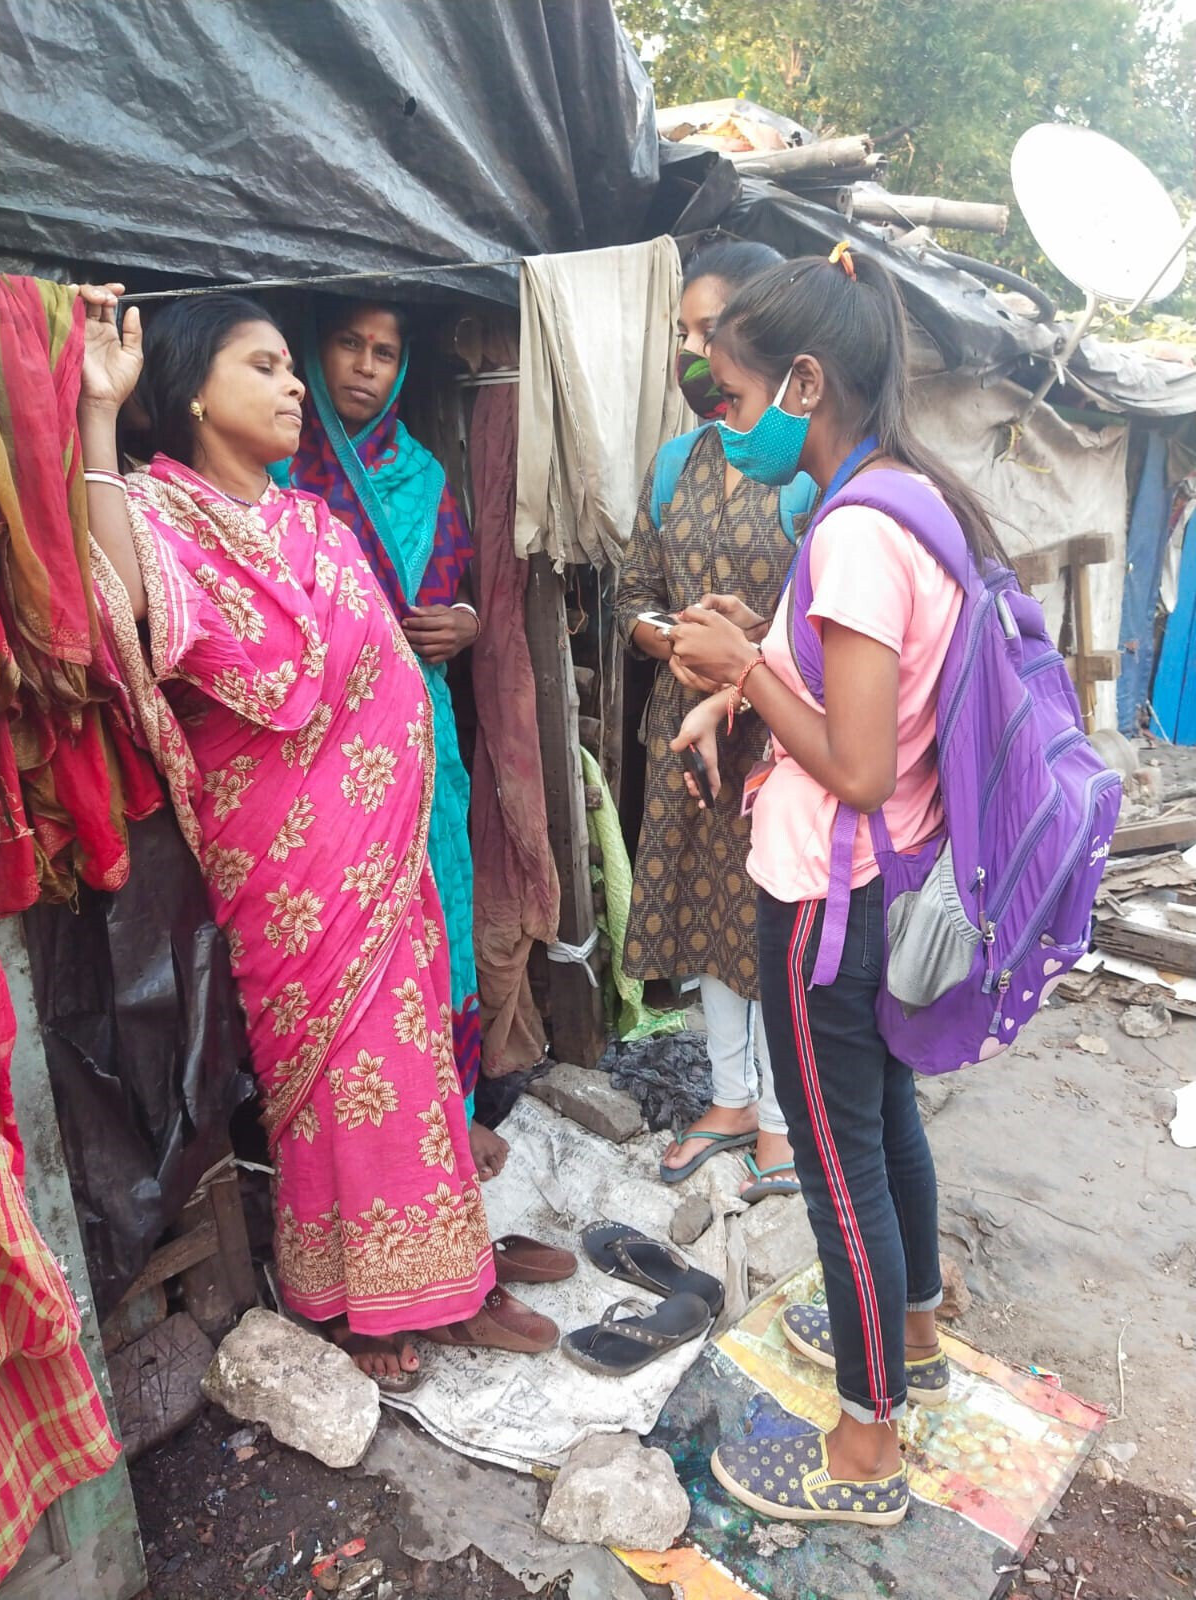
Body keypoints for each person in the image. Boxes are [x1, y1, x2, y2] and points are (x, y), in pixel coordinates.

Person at [77, 286, 556, 1392]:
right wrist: (101, 413)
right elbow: (128, 610)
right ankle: (360, 1298)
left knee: (412, 1062)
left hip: (387, 855)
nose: (296, 385)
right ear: (192, 391)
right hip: (291, 871)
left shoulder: (310, 520)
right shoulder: (158, 514)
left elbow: (381, 669)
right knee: (341, 1082)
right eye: (266, 366)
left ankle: (450, 1271)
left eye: (295, 366)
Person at [669, 246, 1006, 1525]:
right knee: (884, 1124)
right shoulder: (904, 497)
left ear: (806, 382)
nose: (725, 422)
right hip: (882, 881)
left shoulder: (857, 532)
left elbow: (859, 763)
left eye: (735, 397)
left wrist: (741, 673)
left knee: (833, 1162)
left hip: (830, 898)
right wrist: (741, 686)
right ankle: (911, 1331)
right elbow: (877, 715)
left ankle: (868, 1443)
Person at [281, 299, 509, 1183]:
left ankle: (450, 1105)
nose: (366, 367)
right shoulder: (273, 469)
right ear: (316, 347)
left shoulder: (424, 478)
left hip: (419, 731)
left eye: (384, 352)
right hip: (316, 744)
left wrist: (465, 621)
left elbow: (453, 593)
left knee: (433, 906)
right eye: (349, 345)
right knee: (345, 929)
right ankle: (362, 1139)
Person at [614, 240, 804, 1199]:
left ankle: (782, 1118)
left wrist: (749, 652)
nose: (693, 354)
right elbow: (633, 590)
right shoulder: (671, 465)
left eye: (709, 332)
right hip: (682, 730)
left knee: (770, 922)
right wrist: (665, 642)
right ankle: (730, 1096)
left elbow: (828, 629)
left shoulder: (807, 470)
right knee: (701, 916)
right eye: (682, 333)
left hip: (778, 740)